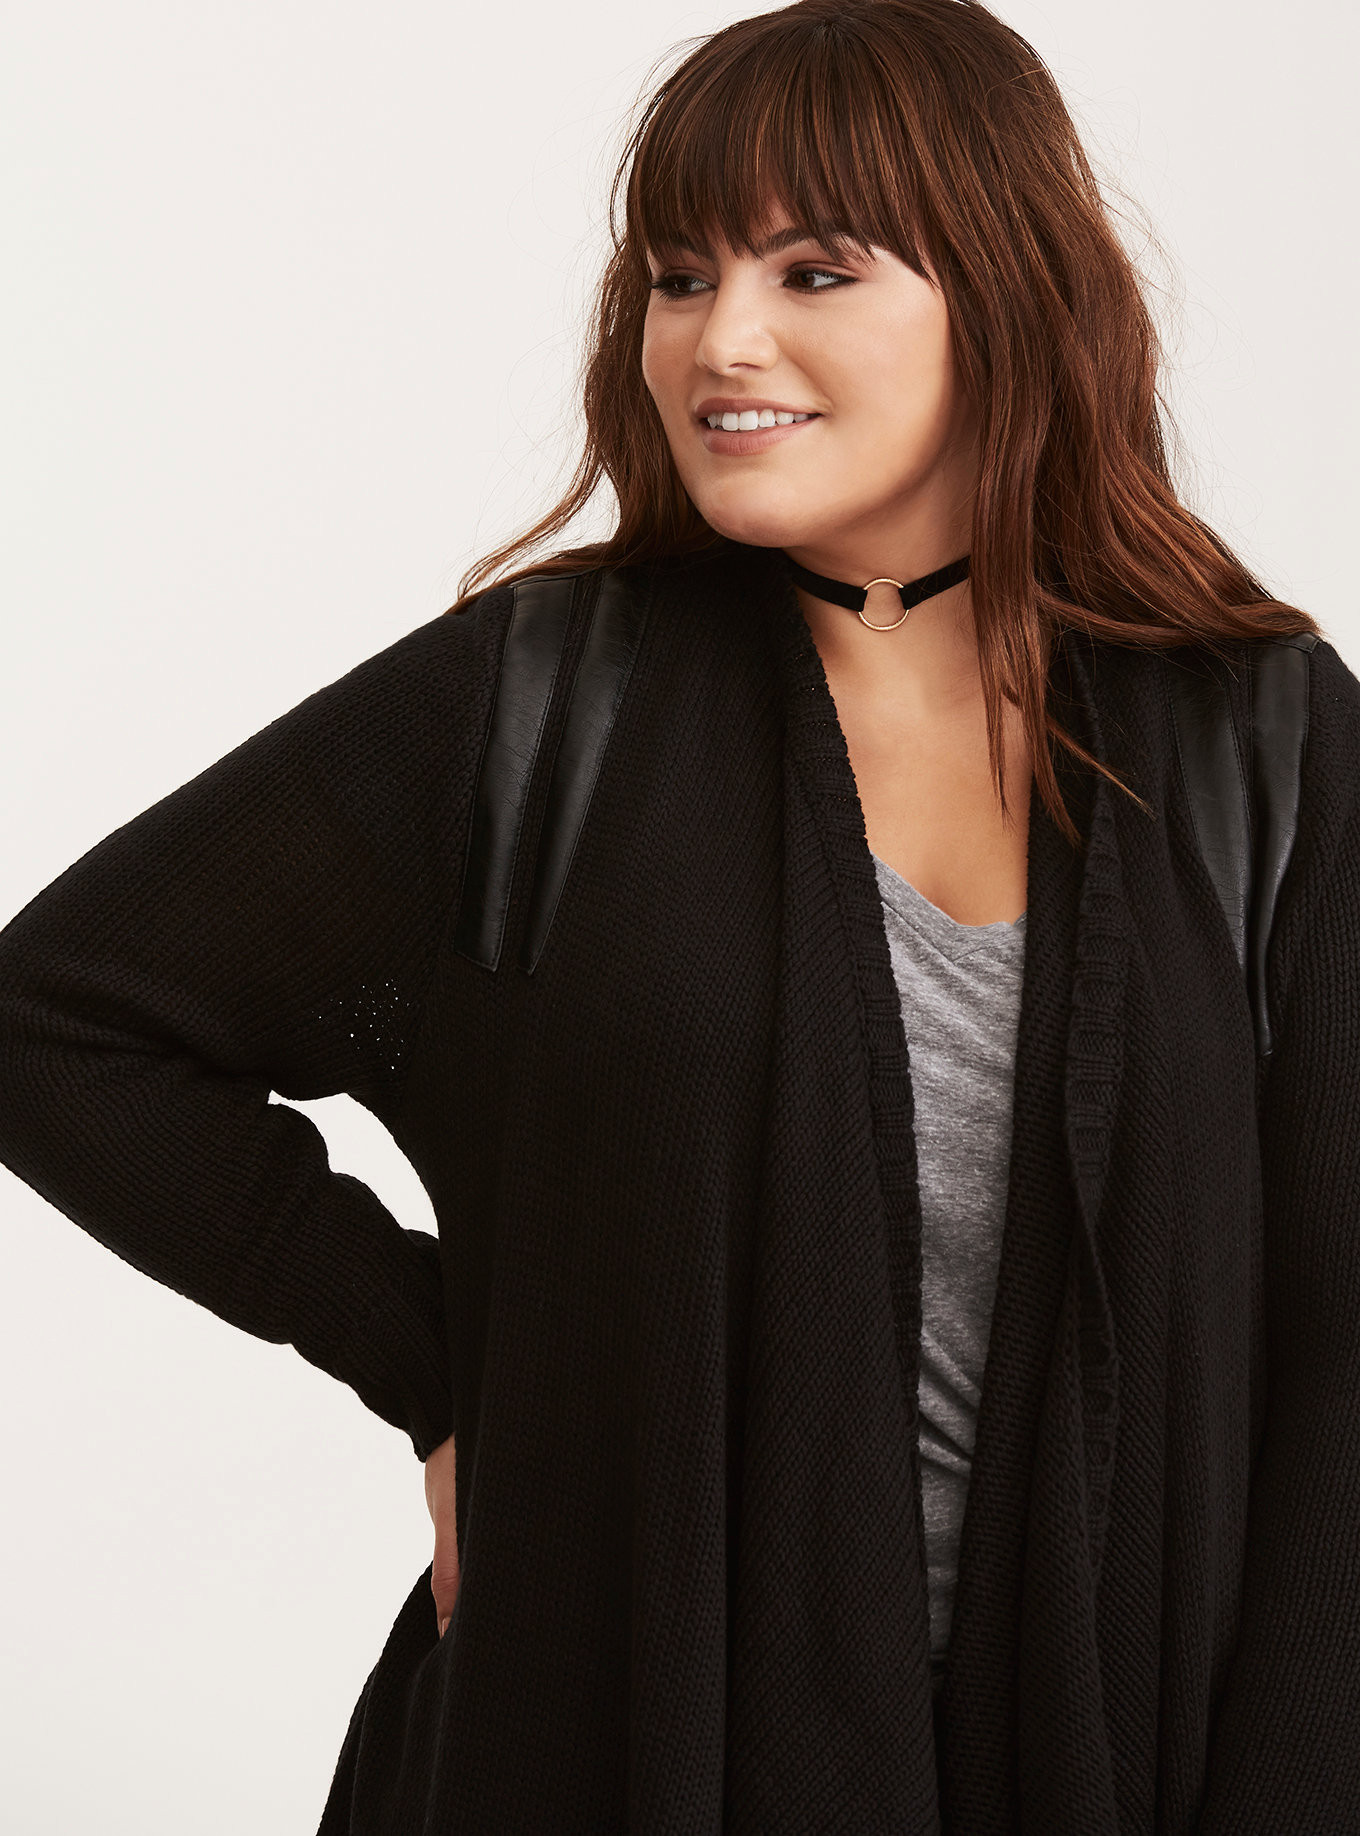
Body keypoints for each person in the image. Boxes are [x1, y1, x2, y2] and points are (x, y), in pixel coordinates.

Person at [1, 0, 1356, 1829]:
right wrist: (435, 1370)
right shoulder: (542, 701)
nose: (721, 341)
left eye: (816, 271)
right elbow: (56, 1019)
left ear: (1009, 290)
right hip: (602, 1740)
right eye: (678, 274)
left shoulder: (1263, 737)